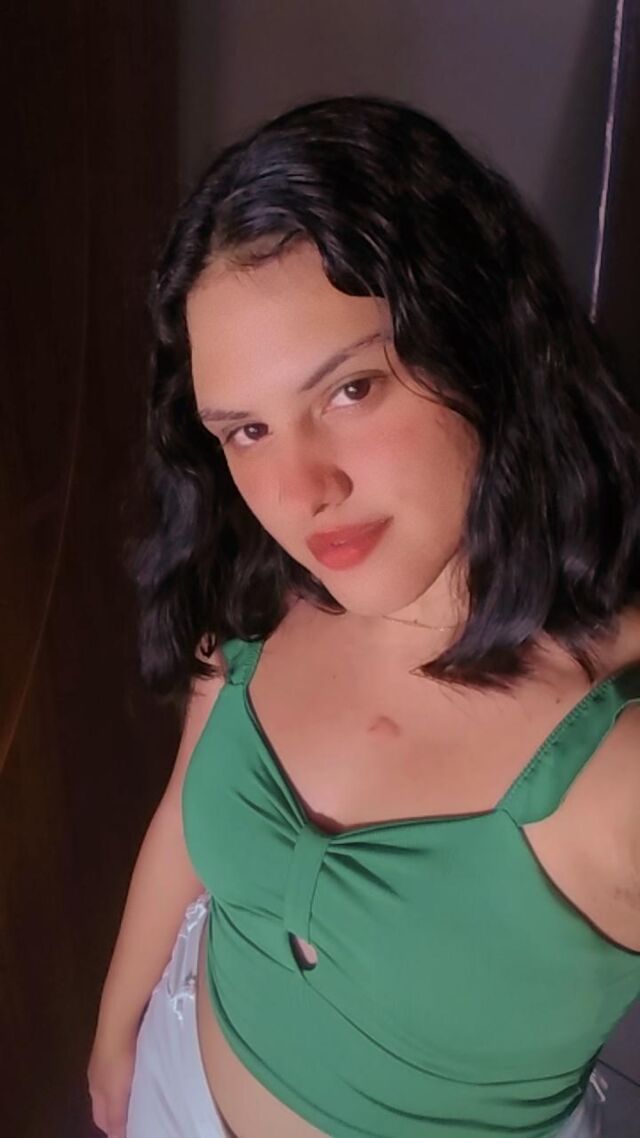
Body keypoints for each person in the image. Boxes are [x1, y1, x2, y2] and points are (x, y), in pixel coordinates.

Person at [87, 94, 640, 1138]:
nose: (301, 493)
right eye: (246, 430)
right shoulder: (258, 591)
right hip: (176, 1078)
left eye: (350, 390)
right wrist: (118, 1038)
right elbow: (181, 825)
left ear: (480, 340)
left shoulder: (616, 757)